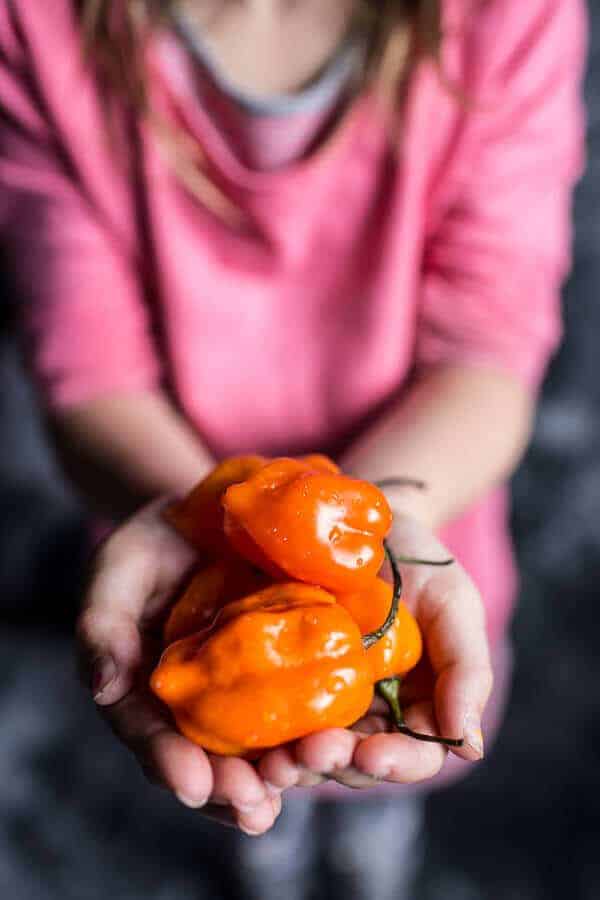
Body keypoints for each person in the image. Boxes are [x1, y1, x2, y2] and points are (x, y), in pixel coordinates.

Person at [0, 0, 585, 897]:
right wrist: (183, 508)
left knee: (393, 747)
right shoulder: (34, 22)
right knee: (259, 781)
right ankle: (272, 851)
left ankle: (368, 840)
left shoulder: (513, 15)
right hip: (175, 518)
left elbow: (488, 347)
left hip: (427, 487)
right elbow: (85, 363)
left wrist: (403, 508)